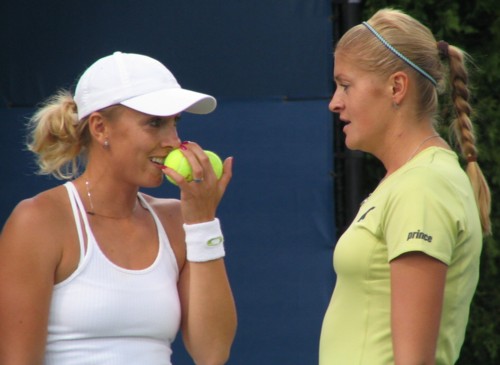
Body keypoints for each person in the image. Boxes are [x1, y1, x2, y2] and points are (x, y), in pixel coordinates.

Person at [0, 51, 237, 365]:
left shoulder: (177, 218)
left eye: (175, 123)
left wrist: (203, 222)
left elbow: (213, 354)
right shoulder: (38, 221)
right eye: (154, 123)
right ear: (100, 128)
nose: (173, 141)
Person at [319, 8, 491, 365]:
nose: (335, 102)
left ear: (396, 87)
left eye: (345, 84)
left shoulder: (423, 186)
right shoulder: (410, 181)